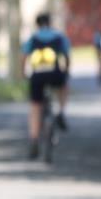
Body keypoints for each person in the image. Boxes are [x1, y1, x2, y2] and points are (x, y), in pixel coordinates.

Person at [21, 13, 70, 159]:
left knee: (35, 107)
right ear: (50, 22)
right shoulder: (59, 37)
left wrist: (23, 73)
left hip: (37, 76)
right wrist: (66, 72)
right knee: (64, 87)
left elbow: (24, 57)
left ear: (37, 24)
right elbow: (66, 57)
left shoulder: (32, 38)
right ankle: (61, 111)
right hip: (55, 74)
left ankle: (34, 139)